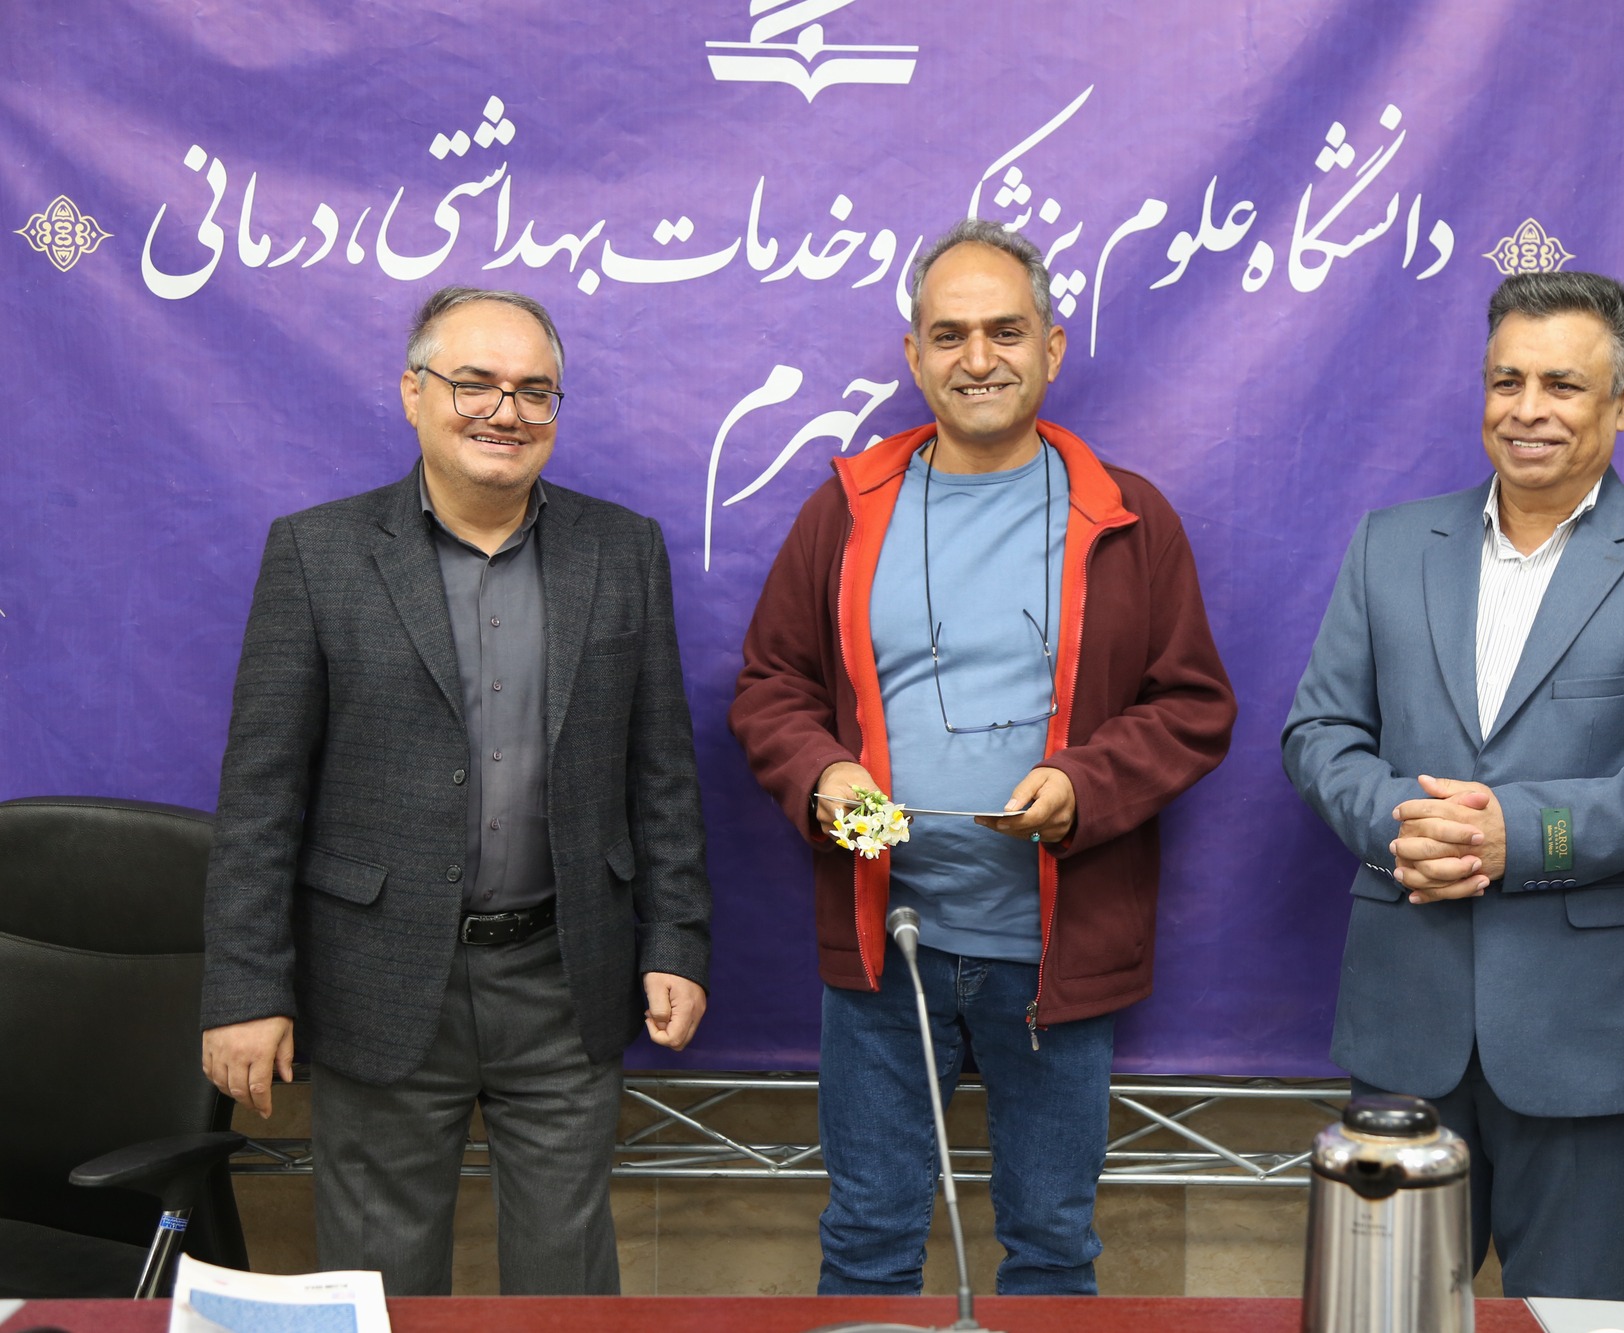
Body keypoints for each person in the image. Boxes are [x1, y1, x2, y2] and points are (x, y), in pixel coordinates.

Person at [729, 219, 1236, 1295]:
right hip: (886, 947)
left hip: (1051, 956)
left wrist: (1085, 784)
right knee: (866, 1242)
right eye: (948, 334)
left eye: (1004, 331)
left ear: (1051, 348)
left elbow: (1193, 706)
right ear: (912, 356)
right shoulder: (845, 507)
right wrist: (822, 775)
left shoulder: (1129, 516)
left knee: (1051, 1249)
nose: (977, 358)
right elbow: (771, 687)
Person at [199, 286, 711, 1295]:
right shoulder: (317, 554)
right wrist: (247, 990)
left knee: (568, 1286)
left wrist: (677, 943)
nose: (504, 412)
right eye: (474, 383)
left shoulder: (622, 551)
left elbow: (661, 775)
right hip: (380, 979)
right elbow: (261, 798)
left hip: (564, 975)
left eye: (533, 391)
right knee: (378, 1282)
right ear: (413, 392)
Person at [1281, 270, 1624, 1299]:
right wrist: (1402, 825)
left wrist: (1524, 831)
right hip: (1404, 1017)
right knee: (1386, 1314)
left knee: (1570, 1317)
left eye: (1562, 384)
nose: (1527, 410)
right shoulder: (1389, 546)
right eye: (1506, 381)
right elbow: (1319, 732)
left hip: (1583, 1034)